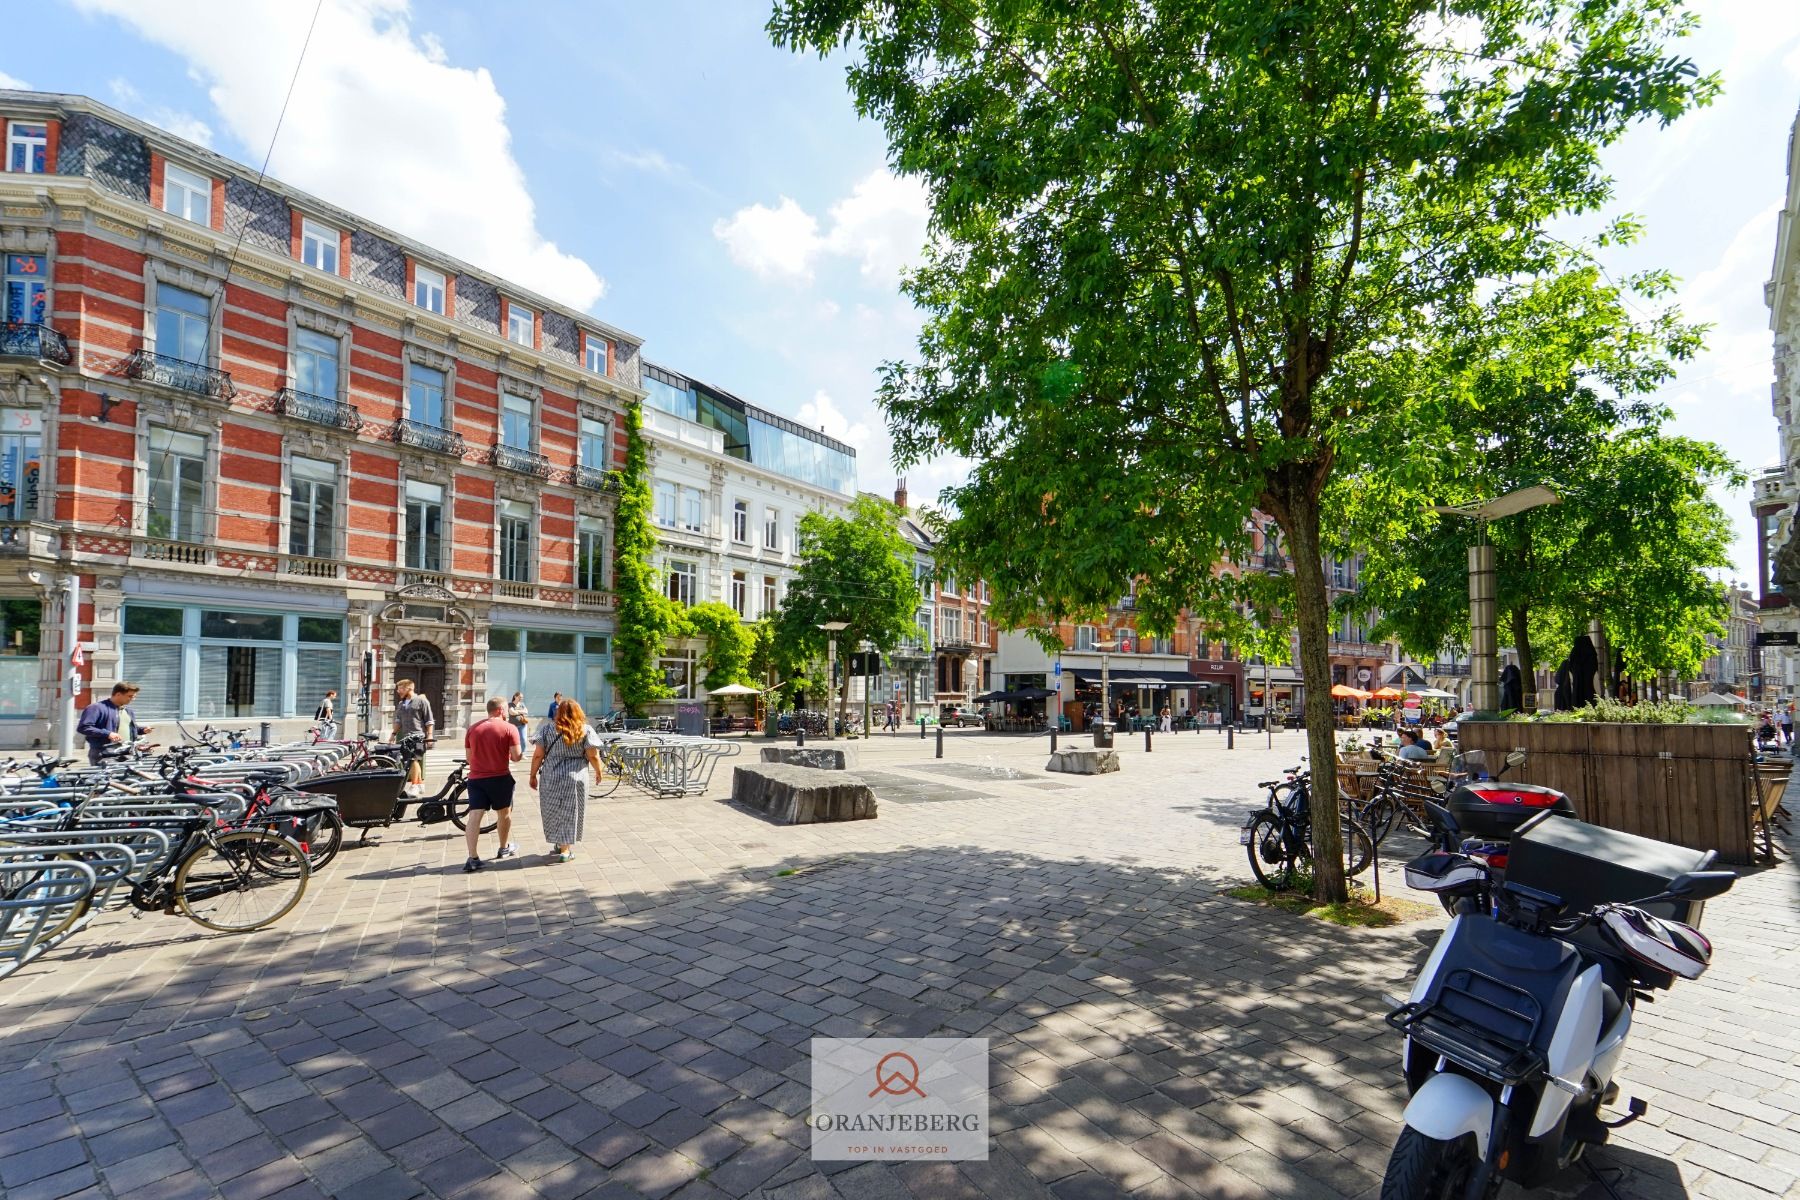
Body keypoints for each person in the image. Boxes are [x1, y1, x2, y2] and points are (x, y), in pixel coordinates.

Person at [529, 697, 603, 863]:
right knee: (572, 810)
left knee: (552, 809)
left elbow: (538, 755)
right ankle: (565, 850)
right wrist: (599, 771)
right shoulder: (585, 729)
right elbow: (593, 755)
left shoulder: (547, 729)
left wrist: (533, 775)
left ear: (558, 712)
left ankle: (559, 842)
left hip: (551, 775)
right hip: (576, 776)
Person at [462, 697, 522, 873]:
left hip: (476, 779)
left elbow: (468, 758)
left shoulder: (473, 729)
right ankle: (503, 847)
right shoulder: (509, 728)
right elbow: (517, 757)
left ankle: (472, 857)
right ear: (501, 711)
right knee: (504, 813)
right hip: (500, 778)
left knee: (474, 816)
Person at [77, 681, 151, 765]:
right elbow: (84, 727)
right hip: (105, 753)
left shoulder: (128, 711)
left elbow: (129, 728)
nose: (133, 699)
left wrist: (142, 730)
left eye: (134, 696)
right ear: (118, 694)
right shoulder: (96, 708)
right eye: (130, 696)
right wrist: (108, 734)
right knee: (106, 778)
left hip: (127, 752)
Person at [391, 678, 435, 798]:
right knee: (412, 760)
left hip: (418, 735)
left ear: (408, 688)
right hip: (406, 737)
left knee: (413, 760)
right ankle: (420, 784)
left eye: (400, 688)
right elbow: (398, 721)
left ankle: (414, 785)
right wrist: (393, 734)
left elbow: (429, 720)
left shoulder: (421, 701)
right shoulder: (401, 704)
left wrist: (430, 735)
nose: (398, 691)